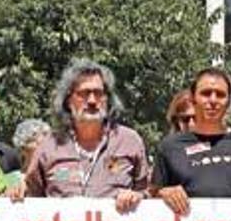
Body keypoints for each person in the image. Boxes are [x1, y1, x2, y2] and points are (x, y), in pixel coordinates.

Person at [24, 60, 150, 212]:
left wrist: (137, 196)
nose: (92, 101)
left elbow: (148, 193)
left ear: (107, 100)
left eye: (98, 93)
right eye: (83, 94)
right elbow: (30, 199)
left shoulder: (130, 141)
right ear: (68, 101)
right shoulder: (49, 146)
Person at [151, 68, 231, 215]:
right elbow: (152, 196)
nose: (213, 100)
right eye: (206, 93)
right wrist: (164, 193)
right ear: (193, 98)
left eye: (221, 95)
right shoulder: (169, 147)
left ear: (228, 101)